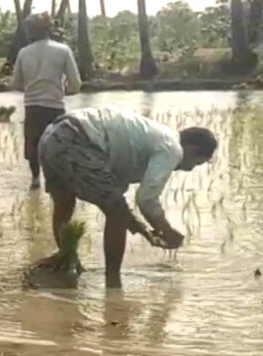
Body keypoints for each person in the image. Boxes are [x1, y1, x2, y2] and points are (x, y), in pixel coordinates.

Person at [38, 106, 218, 289]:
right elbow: (145, 199)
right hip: (78, 139)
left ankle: (66, 260)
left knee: (64, 202)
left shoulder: (150, 137)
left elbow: (116, 199)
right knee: (115, 215)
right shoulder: (172, 148)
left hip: (52, 136)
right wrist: (165, 229)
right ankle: (113, 283)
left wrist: (143, 230)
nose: (189, 169)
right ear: (193, 150)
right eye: (196, 163)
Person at [12, 12, 82, 189]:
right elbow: (76, 84)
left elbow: (16, 84)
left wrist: (31, 89)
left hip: (32, 107)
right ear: (49, 29)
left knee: (33, 145)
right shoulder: (63, 50)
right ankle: (58, 181)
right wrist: (62, 91)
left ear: (31, 31)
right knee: (58, 146)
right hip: (55, 106)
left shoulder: (23, 53)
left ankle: (35, 180)